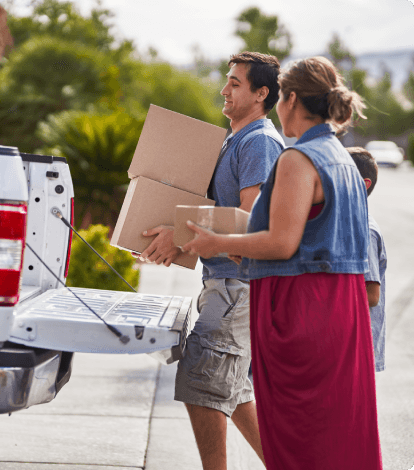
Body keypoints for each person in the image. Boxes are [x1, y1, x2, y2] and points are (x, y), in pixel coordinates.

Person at [182, 56, 382, 469]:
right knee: (334, 434)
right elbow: (314, 240)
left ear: (288, 99)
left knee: (299, 434)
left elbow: (281, 241)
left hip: (301, 310)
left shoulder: (298, 158)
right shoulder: (344, 160)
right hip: (340, 310)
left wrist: (215, 240)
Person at [139, 51, 284, 470]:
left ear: (261, 93)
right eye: (228, 80)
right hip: (226, 285)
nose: (224, 89)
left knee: (202, 387)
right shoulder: (236, 138)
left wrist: (180, 239)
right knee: (233, 394)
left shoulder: (258, 142)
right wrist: (163, 237)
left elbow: (248, 223)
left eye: (235, 83)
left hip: (238, 288)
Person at [347, 146, 387, 372]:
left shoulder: (364, 229)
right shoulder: (347, 222)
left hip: (358, 341)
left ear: (363, 185)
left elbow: (371, 294)